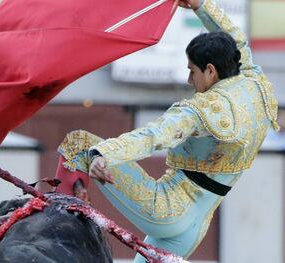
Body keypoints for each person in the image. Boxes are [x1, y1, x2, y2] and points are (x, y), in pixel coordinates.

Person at [54, 0, 279, 260]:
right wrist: (200, 5)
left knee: (78, 145)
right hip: (194, 227)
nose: (189, 80)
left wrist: (103, 154)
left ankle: (56, 227)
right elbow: (237, 39)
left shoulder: (202, 110)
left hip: (167, 209)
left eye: (192, 71)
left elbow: (153, 136)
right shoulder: (255, 81)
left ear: (210, 70)